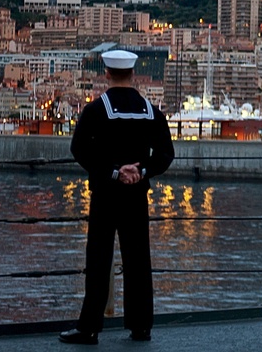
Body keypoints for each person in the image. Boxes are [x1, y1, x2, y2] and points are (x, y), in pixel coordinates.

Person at [60, 50, 175, 345]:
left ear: (107, 73)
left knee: (99, 259)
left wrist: (114, 172)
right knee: (138, 260)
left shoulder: (96, 110)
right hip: (137, 195)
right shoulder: (151, 111)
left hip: (106, 195)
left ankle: (89, 328)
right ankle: (141, 327)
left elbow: (79, 150)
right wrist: (142, 170)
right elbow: (165, 155)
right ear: (133, 74)